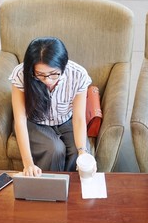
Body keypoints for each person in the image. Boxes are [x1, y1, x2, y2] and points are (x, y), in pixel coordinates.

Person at [9, 37, 93, 177]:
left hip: (67, 120)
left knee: (78, 153)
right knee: (54, 149)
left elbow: (78, 118)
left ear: (63, 65)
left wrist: (82, 151)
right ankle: (49, 190)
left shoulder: (78, 75)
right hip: (34, 122)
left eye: (54, 74)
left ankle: (73, 190)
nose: (48, 80)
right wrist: (28, 163)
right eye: (40, 75)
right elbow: (20, 120)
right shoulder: (21, 74)